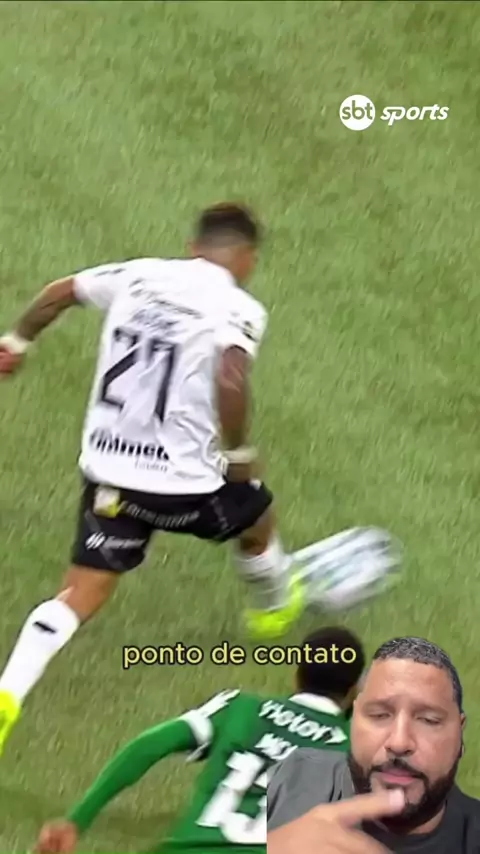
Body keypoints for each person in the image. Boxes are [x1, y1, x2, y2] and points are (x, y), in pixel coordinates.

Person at [0, 202, 400, 755]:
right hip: (186, 484)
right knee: (256, 515)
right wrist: (237, 452)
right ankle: (272, 605)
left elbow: (60, 292)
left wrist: (16, 343)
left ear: (193, 247)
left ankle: (9, 691)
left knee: (79, 592)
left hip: (110, 472)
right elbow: (231, 376)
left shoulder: (137, 275)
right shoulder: (238, 307)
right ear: (248, 259)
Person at [33, 626, 365, 853]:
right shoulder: (361, 750)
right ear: (354, 691)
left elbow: (149, 745)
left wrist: (76, 820)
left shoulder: (240, 708)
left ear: (296, 674)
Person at [267, 636, 480, 853]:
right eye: (379, 715)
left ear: (459, 735)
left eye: (428, 720)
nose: (399, 742)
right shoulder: (295, 775)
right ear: (352, 721)